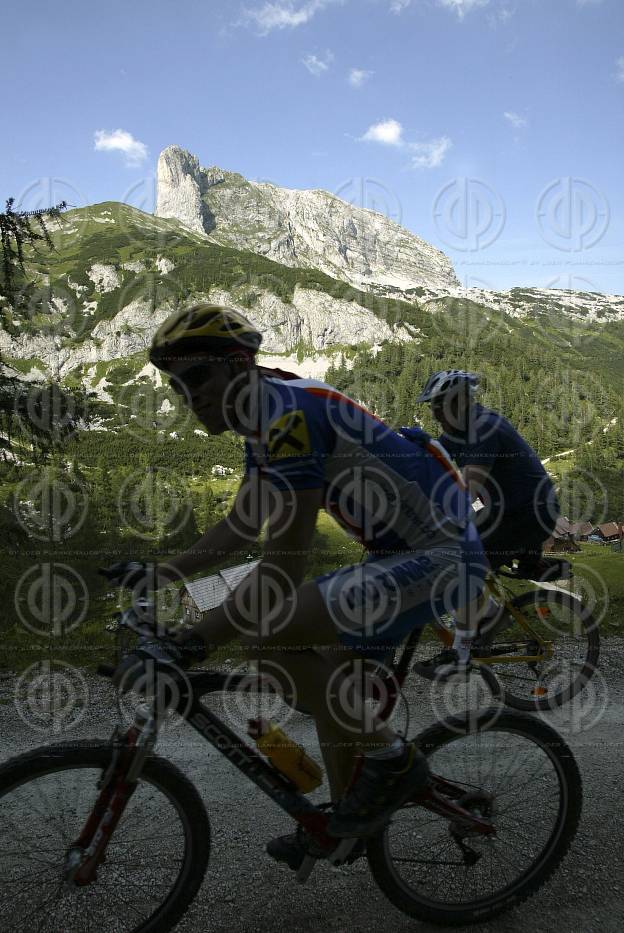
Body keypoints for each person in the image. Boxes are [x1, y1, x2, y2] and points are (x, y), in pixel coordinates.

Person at [112, 306, 487, 870]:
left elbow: (282, 567)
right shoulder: (265, 418)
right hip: (402, 555)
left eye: (198, 377)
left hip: (443, 557)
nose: (188, 394)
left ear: (239, 365)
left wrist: (192, 642)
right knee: (331, 688)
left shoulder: (289, 417)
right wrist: (160, 573)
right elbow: (240, 525)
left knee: (268, 636)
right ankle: (343, 824)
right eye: (176, 384)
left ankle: (393, 761)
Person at [415, 369, 560, 667]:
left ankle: (464, 651)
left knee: (461, 562)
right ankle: (489, 616)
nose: (435, 415)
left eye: (438, 407)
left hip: (530, 514)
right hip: (505, 512)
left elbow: (467, 491)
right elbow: (433, 458)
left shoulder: (483, 429)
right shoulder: (460, 429)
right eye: (432, 408)